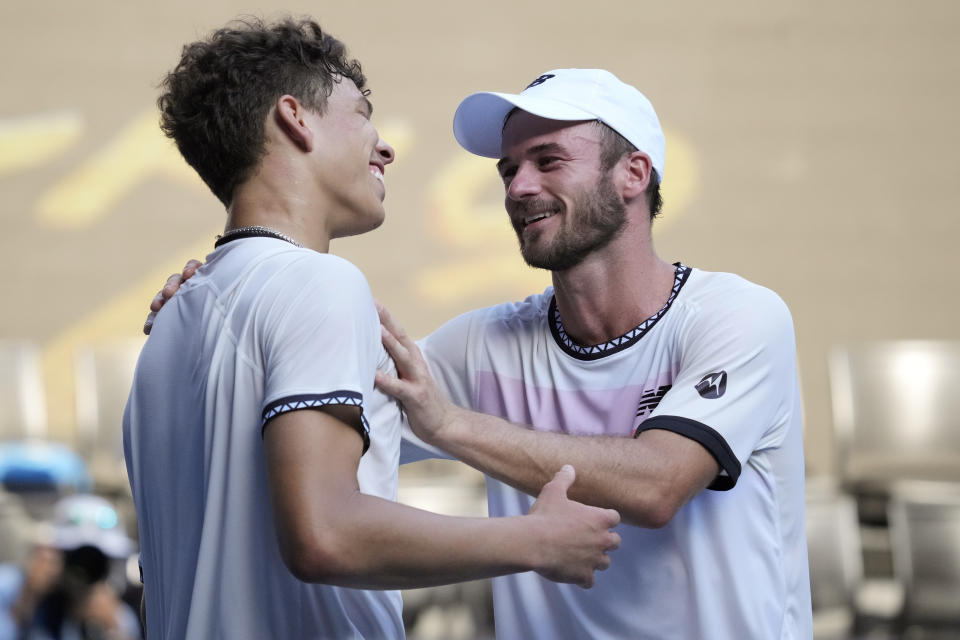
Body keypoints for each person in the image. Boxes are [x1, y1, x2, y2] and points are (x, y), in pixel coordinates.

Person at [148, 67, 811, 638]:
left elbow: (660, 485)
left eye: (548, 160)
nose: (518, 187)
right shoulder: (481, 344)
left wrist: (456, 426)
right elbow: (300, 405)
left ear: (634, 174)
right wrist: (216, 305)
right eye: (509, 168)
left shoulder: (738, 317)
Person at [125, 19, 620, 640]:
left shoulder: (167, 330)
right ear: (294, 118)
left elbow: (160, 589)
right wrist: (534, 540)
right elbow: (323, 536)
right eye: (361, 114)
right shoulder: (319, 284)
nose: (385, 148)